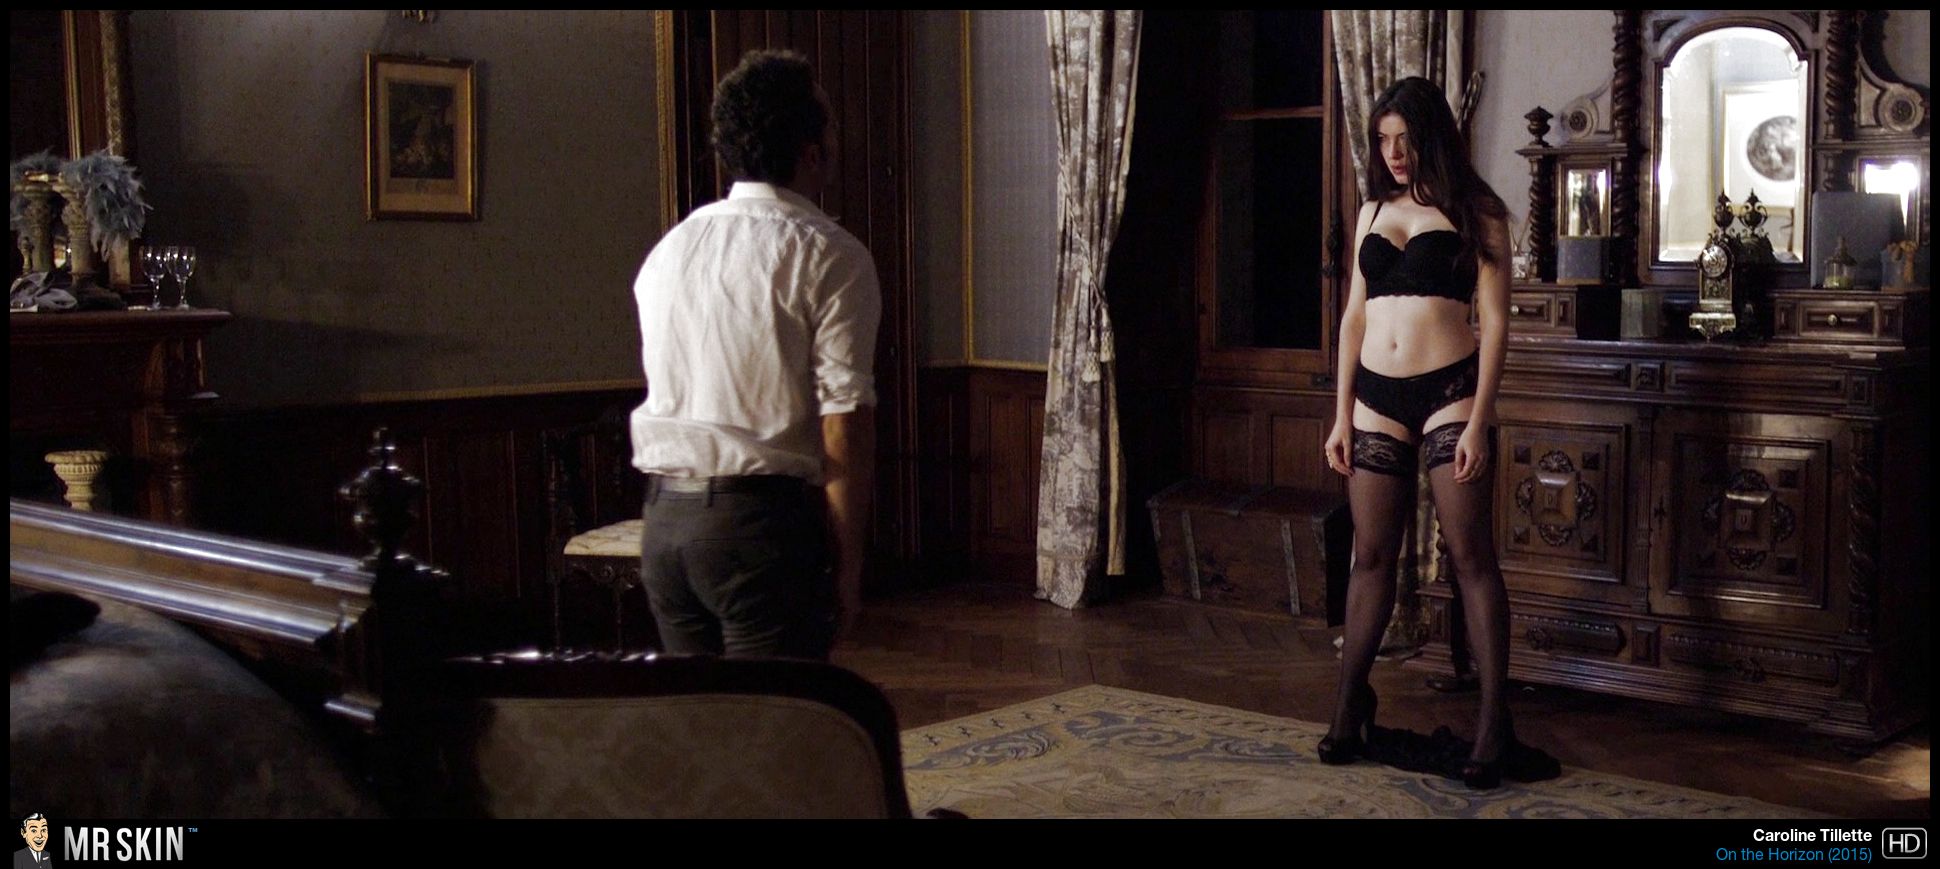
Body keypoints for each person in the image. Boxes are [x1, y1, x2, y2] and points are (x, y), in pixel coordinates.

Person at [1317, 76, 1537, 789]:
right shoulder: (1372, 210)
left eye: (1405, 139)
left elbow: (1495, 324)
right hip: (1375, 398)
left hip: (1450, 393)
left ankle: (1493, 721)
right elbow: (1354, 318)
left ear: (1432, 135)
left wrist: (1480, 418)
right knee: (1371, 556)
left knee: (1471, 556)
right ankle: (1349, 705)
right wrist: (1341, 413)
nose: (1393, 152)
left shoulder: (1478, 211)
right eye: (1383, 140)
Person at [629, 49, 880, 661]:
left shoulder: (671, 249)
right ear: (812, 151)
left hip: (665, 526)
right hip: (760, 532)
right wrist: (849, 568)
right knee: (776, 718)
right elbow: (844, 422)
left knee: (701, 718)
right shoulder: (830, 254)